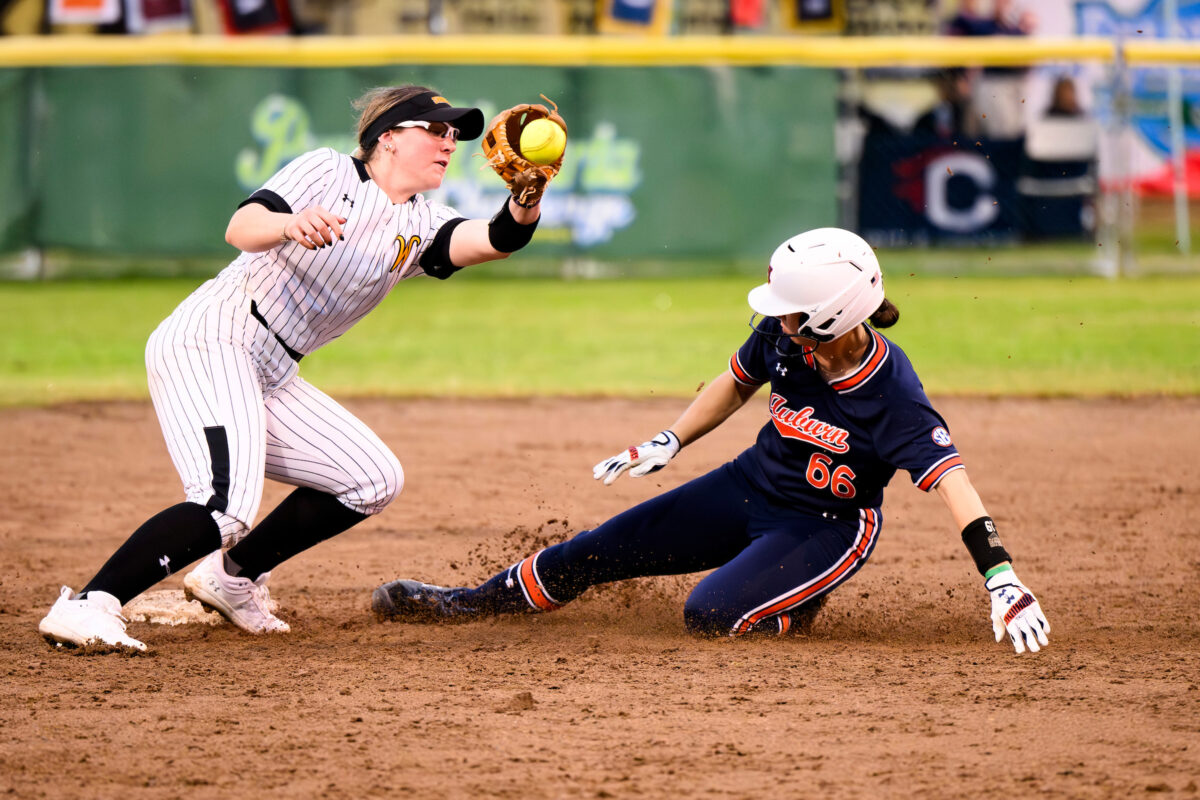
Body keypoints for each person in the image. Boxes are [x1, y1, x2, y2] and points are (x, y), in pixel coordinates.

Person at [38, 85, 556, 652]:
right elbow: (241, 227)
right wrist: (289, 224)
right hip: (217, 335)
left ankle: (231, 579)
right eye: (434, 129)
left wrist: (527, 196)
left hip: (273, 369)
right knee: (225, 503)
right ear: (387, 137)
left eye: (453, 132)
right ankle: (91, 603)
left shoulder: (422, 222)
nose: (449, 141)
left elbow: (497, 239)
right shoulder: (328, 171)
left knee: (371, 478)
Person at [373, 228, 1051, 655]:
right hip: (747, 484)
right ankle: (471, 602)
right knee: (595, 549)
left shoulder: (892, 393)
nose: (776, 320)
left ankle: (795, 597)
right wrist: (670, 439)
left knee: (712, 616)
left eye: (790, 313)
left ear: (830, 317)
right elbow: (734, 384)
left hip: (825, 526)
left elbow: (952, 481)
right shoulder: (787, 335)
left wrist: (1002, 578)